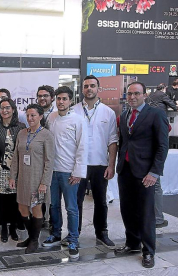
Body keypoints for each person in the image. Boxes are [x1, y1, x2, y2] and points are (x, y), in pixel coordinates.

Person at [115, 82, 169, 268]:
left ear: (145, 95)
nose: (132, 97)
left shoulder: (156, 114)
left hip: (146, 172)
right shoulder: (124, 116)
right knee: (127, 210)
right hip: (126, 170)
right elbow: (124, 142)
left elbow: (162, 146)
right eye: (129, 94)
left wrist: (154, 172)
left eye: (136, 93)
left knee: (146, 213)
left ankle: (148, 251)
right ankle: (132, 244)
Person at [42, 86, 88, 259]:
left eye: (64, 99)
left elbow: (82, 148)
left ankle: (74, 240)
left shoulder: (78, 120)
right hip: (52, 171)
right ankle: (55, 233)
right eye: (58, 99)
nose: (61, 102)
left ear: (70, 101)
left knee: (71, 208)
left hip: (69, 172)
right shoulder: (51, 118)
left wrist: (77, 172)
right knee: (53, 205)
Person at [72, 75, 118, 249]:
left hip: (100, 164)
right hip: (79, 165)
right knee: (76, 202)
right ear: (82, 89)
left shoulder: (108, 112)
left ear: (98, 88)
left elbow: (112, 141)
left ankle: (102, 232)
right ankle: (74, 233)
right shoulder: (74, 110)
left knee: (101, 201)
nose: (89, 89)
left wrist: (111, 165)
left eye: (92, 86)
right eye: (86, 86)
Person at [8, 104, 54, 253]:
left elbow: (49, 161)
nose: (30, 118)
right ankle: (30, 236)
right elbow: (15, 157)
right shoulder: (22, 133)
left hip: (37, 179)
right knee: (22, 208)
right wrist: (12, 177)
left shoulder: (46, 135)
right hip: (23, 178)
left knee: (36, 208)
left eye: (33, 115)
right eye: (28, 115)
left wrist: (44, 183)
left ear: (40, 116)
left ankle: (34, 240)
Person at [0, 98, 26, 243]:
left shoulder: (21, 127)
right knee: (2, 201)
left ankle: (13, 227)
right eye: (2, 108)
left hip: (16, 171)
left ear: (13, 109)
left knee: (15, 201)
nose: (5, 110)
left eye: (7, 108)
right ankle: (4, 227)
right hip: (0, 169)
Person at [146, 83, 175, 228]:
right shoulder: (159, 113)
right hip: (152, 157)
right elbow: (163, 145)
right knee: (155, 187)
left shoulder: (150, 99)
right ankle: (157, 218)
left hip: (148, 157)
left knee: (153, 186)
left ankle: (154, 217)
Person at [36, 85, 56, 229]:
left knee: (52, 195)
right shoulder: (34, 113)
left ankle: (53, 223)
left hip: (53, 159)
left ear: (52, 98)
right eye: (40, 96)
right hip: (37, 160)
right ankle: (41, 219)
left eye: (45, 96)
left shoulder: (57, 113)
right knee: (39, 192)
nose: (42, 98)